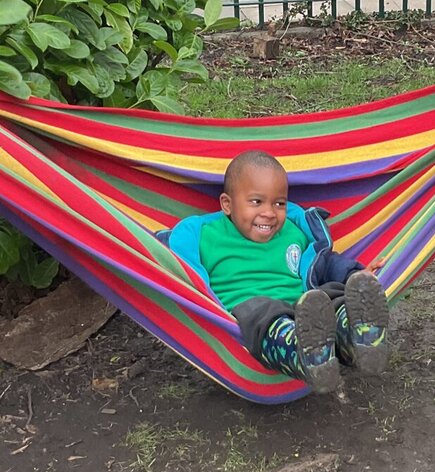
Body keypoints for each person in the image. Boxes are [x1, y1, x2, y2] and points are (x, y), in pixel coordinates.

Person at [164, 150, 391, 393]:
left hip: (308, 310)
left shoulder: (293, 231)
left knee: (333, 296)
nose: (269, 213)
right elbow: (179, 271)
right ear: (227, 204)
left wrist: (356, 274)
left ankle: (363, 338)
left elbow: (325, 263)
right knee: (265, 313)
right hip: (251, 320)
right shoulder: (204, 236)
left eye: (279, 203)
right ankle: (310, 360)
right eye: (256, 202)